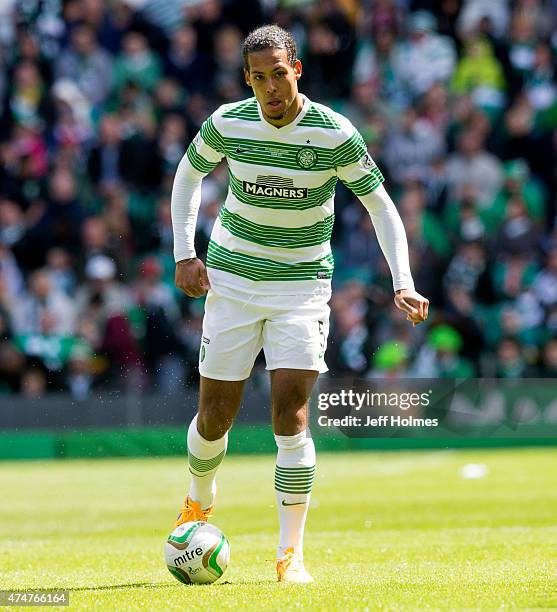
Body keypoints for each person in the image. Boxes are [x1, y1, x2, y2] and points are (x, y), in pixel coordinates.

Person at [170, 24, 429, 584]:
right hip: (232, 285)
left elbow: (381, 207)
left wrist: (402, 279)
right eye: (258, 78)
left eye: (278, 74)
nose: (270, 88)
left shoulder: (335, 132)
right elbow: (189, 174)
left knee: (290, 416)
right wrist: (183, 252)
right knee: (215, 418)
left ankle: (291, 556)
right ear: (247, 79)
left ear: (297, 70)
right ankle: (197, 503)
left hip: (302, 289)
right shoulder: (228, 122)